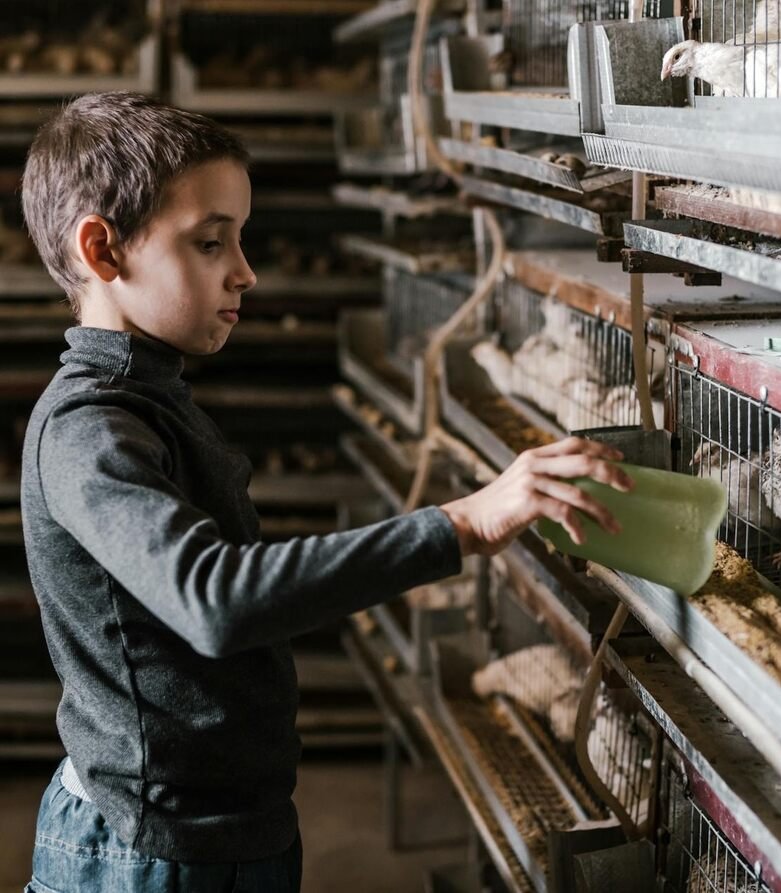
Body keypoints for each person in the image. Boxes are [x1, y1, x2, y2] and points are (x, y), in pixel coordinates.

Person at [18, 91, 631, 892]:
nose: (247, 270)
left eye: (239, 238)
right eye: (210, 242)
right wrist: (463, 523)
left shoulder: (150, 398)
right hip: (150, 847)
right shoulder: (87, 430)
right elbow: (215, 597)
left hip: (222, 823)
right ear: (104, 251)